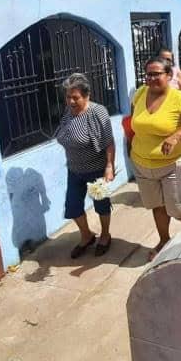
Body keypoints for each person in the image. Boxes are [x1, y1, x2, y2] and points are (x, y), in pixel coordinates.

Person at [131, 57, 181, 261]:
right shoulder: (140, 93)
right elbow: (135, 122)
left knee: (177, 208)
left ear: (169, 75)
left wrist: (176, 136)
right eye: (148, 74)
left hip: (172, 164)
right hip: (141, 164)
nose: (152, 78)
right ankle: (164, 240)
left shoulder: (178, 98)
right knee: (157, 205)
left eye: (157, 74)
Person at [55, 73, 115, 258]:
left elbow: (108, 142)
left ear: (86, 96)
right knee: (73, 206)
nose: (71, 101)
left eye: (75, 98)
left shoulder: (97, 112)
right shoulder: (68, 113)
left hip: (96, 169)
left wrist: (109, 166)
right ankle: (87, 236)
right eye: (68, 97)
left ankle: (105, 235)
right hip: (74, 170)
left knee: (101, 205)